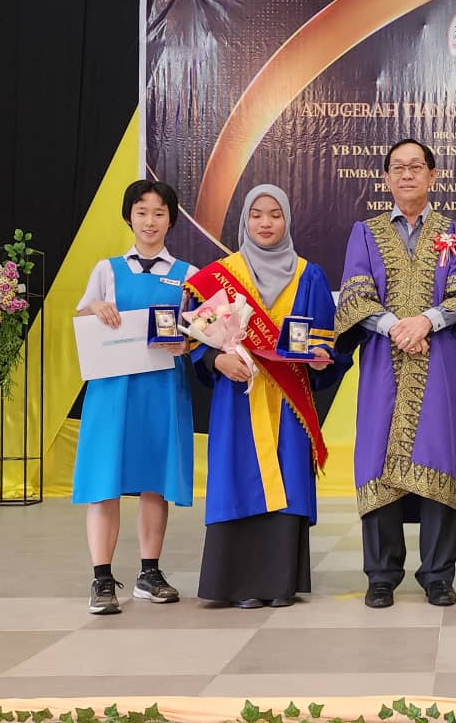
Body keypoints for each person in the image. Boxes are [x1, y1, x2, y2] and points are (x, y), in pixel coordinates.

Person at [334, 139, 456, 609]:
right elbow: (355, 294)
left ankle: (437, 575)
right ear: (386, 178)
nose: (407, 175)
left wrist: (426, 322)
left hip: (438, 363)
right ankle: (381, 575)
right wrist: (396, 327)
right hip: (382, 361)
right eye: (397, 167)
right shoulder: (366, 232)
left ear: (433, 175)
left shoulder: (453, 231)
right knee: (377, 459)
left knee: (439, 456)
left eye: (416, 166)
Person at [188, 184, 347, 609]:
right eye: (256, 214)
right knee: (238, 477)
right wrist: (217, 360)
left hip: (288, 402)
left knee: (287, 479)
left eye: (275, 215)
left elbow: (327, 341)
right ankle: (235, 584)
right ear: (244, 219)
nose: (265, 223)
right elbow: (198, 344)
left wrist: (322, 358)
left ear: (287, 220)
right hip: (237, 400)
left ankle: (279, 584)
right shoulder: (220, 275)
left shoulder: (309, 275)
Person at [72, 179, 196, 615]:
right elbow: (82, 317)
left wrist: (187, 343)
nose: (150, 221)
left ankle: (149, 573)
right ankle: (101, 578)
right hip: (112, 389)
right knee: (103, 481)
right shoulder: (106, 270)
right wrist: (94, 309)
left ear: (171, 220)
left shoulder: (189, 275)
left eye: (159, 213)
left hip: (161, 389)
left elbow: (200, 332)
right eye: (142, 212)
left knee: (154, 482)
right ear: (129, 216)